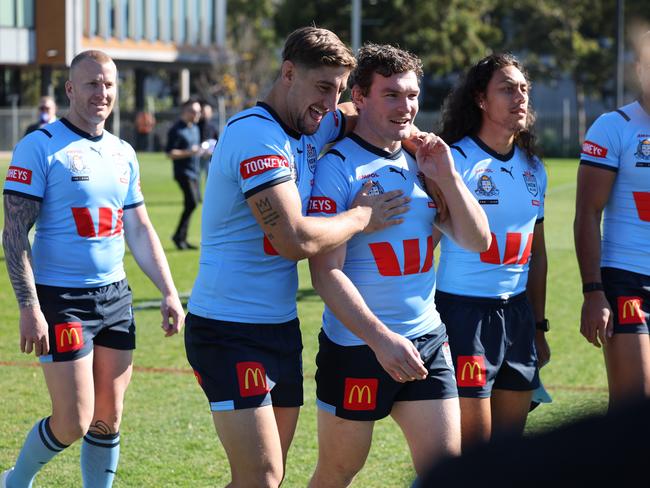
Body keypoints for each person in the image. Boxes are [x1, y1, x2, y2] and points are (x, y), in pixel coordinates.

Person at [184, 27, 409, 487]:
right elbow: (296, 241)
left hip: (280, 328)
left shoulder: (311, 123)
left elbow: (351, 114)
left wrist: (413, 133)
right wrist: (361, 216)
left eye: (339, 88)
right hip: (228, 329)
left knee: (265, 478)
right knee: (263, 477)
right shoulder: (255, 135)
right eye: (323, 86)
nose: (330, 101)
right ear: (289, 73)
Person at [307, 44, 490, 487]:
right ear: (360, 97)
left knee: (447, 472)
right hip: (358, 347)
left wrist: (446, 174)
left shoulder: (424, 160)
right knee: (338, 471)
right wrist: (381, 341)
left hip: (426, 339)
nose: (405, 106)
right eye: (390, 94)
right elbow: (323, 274)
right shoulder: (338, 167)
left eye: (411, 95)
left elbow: (477, 239)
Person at [1, 50, 184, 488]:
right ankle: (14, 481)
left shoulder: (123, 152)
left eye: (108, 84)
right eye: (91, 83)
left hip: (116, 297)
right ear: (70, 90)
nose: (101, 92)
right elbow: (13, 234)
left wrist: (168, 290)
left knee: (109, 416)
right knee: (73, 422)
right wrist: (29, 306)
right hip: (61, 300)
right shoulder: (40, 147)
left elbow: (139, 227)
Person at [434, 53, 550, 451]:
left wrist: (539, 326)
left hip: (517, 317)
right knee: (472, 457)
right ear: (481, 99)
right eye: (507, 89)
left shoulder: (534, 167)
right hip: (463, 317)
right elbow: (424, 242)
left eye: (524, 89)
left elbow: (538, 254)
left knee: (506, 456)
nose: (520, 97)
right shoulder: (453, 161)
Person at [574, 31, 650, 409]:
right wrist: (593, 291)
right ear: (640, 70)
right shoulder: (614, 126)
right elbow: (588, 212)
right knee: (634, 412)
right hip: (628, 279)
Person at [166, 98, 204, 250]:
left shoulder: (195, 128)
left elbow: (195, 150)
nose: (197, 114)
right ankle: (178, 237)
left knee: (192, 204)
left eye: (199, 112)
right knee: (192, 203)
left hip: (194, 172)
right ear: (185, 111)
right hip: (183, 172)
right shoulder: (176, 129)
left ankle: (181, 238)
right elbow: (170, 153)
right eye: (194, 111)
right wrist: (190, 152)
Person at [197, 100, 219, 200]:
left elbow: (217, 142)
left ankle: (208, 196)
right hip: (197, 155)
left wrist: (211, 151)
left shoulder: (212, 127)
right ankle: (197, 196)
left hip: (209, 156)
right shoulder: (196, 126)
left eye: (207, 112)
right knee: (197, 176)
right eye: (204, 112)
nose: (205, 115)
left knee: (209, 176)